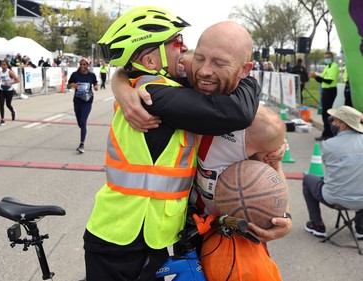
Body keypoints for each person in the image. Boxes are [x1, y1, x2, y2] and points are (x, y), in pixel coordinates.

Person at [84, 7, 262, 281]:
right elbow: (237, 112)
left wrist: (118, 79)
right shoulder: (155, 95)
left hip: (141, 236)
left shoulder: (159, 87)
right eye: (177, 43)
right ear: (150, 60)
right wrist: (247, 77)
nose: (185, 49)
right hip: (122, 238)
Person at [113, 20, 291, 280]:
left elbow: (273, 172)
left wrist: (283, 216)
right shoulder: (181, 81)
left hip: (229, 237)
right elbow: (126, 70)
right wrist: (122, 89)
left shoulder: (261, 127)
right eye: (200, 58)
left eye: (219, 63)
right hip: (179, 230)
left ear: (245, 70)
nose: (205, 71)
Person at [303, 105, 363, 238]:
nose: (332, 123)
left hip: (336, 198)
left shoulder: (329, 144)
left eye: (334, 120)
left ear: (343, 125)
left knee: (308, 179)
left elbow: (331, 168)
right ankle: (361, 228)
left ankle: (317, 225)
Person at [67, 57, 98, 153]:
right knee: (80, 123)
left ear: (88, 66)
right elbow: (68, 85)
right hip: (77, 100)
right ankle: (83, 131)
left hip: (87, 101)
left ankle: (81, 144)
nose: (82, 66)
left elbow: (95, 83)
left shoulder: (91, 75)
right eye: (81, 65)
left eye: (84, 65)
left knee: (83, 121)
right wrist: (73, 85)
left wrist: (96, 86)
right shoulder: (75, 75)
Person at [309, 51, 340, 141]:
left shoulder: (334, 67)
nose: (326, 59)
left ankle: (328, 133)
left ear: (332, 58)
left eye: (328, 57)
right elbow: (322, 80)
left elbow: (328, 81)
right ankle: (327, 132)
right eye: (325, 57)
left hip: (330, 91)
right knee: (324, 113)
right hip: (325, 91)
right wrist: (315, 77)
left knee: (326, 113)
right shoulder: (327, 67)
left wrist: (316, 77)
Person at [0, 60, 20, 126]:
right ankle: (2, 120)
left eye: (4, 65)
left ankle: (13, 112)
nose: (3, 66)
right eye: (2, 65)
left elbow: (18, 80)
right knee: (1, 104)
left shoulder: (9, 72)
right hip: (2, 89)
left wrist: (10, 83)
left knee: (8, 104)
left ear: (7, 66)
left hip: (9, 90)